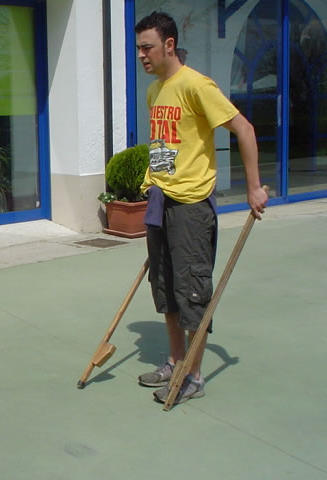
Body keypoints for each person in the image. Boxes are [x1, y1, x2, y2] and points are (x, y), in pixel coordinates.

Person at [134, 12, 268, 404]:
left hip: (192, 206)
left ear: (169, 45)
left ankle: (193, 377)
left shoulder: (197, 85)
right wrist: (151, 180)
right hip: (161, 201)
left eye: (147, 47)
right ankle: (175, 361)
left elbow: (244, 129)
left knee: (191, 291)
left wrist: (253, 187)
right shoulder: (155, 91)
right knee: (165, 289)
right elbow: (165, 145)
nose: (141, 55)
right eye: (138, 48)